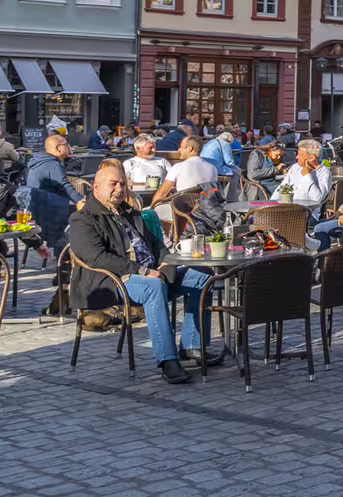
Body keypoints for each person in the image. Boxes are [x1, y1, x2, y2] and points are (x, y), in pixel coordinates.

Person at [66, 161, 218, 384]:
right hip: (109, 280)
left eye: (123, 184)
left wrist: (167, 264)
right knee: (153, 287)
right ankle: (167, 360)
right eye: (113, 184)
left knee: (203, 277)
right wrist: (143, 270)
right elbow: (97, 258)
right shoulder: (83, 218)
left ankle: (193, 346)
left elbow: (157, 245)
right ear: (95, 187)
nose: (119, 189)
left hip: (150, 272)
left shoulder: (130, 213)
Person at [24, 133, 77, 262]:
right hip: (49, 212)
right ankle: (66, 261)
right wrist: (83, 201)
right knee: (80, 217)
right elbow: (66, 188)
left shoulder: (41, 162)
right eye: (67, 144)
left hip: (38, 209)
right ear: (58, 148)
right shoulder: (52, 165)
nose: (70, 147)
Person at [276, 138, 333, 216]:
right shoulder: (295, 167)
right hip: (287, 211)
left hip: (307, 215)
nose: (296, 157)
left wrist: (307, 175)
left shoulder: (324, 172)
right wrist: (270, 206)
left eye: (300, 155)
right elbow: (281, 189)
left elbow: (317, 199)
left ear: (312, 158)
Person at [123, 134, 173, 199]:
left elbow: (173, 178)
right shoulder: (129, 163)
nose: (154, 150)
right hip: (137, 196)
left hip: (161, 196)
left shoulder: (162, 161)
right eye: (150, 148)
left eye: (154, 147)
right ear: (138, 149)